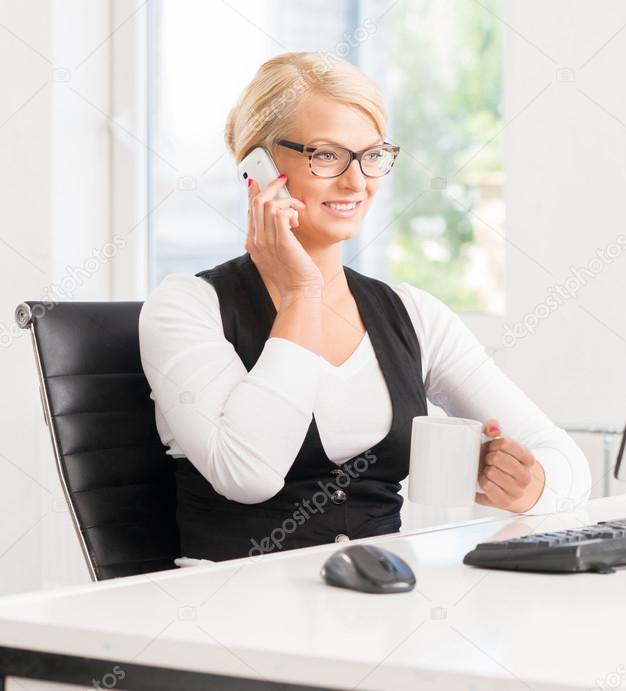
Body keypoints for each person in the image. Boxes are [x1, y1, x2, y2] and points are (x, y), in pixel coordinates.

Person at [138, 51, 591, 562]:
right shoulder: (185, 307)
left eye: (371, 155)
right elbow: (249, 474)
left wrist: (531, 487)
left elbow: (570, 465)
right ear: (258, 168)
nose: (357, 182)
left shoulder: (411, 314)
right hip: (234, 613)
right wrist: (302, 295)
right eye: (327, 156)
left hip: (379, 608)